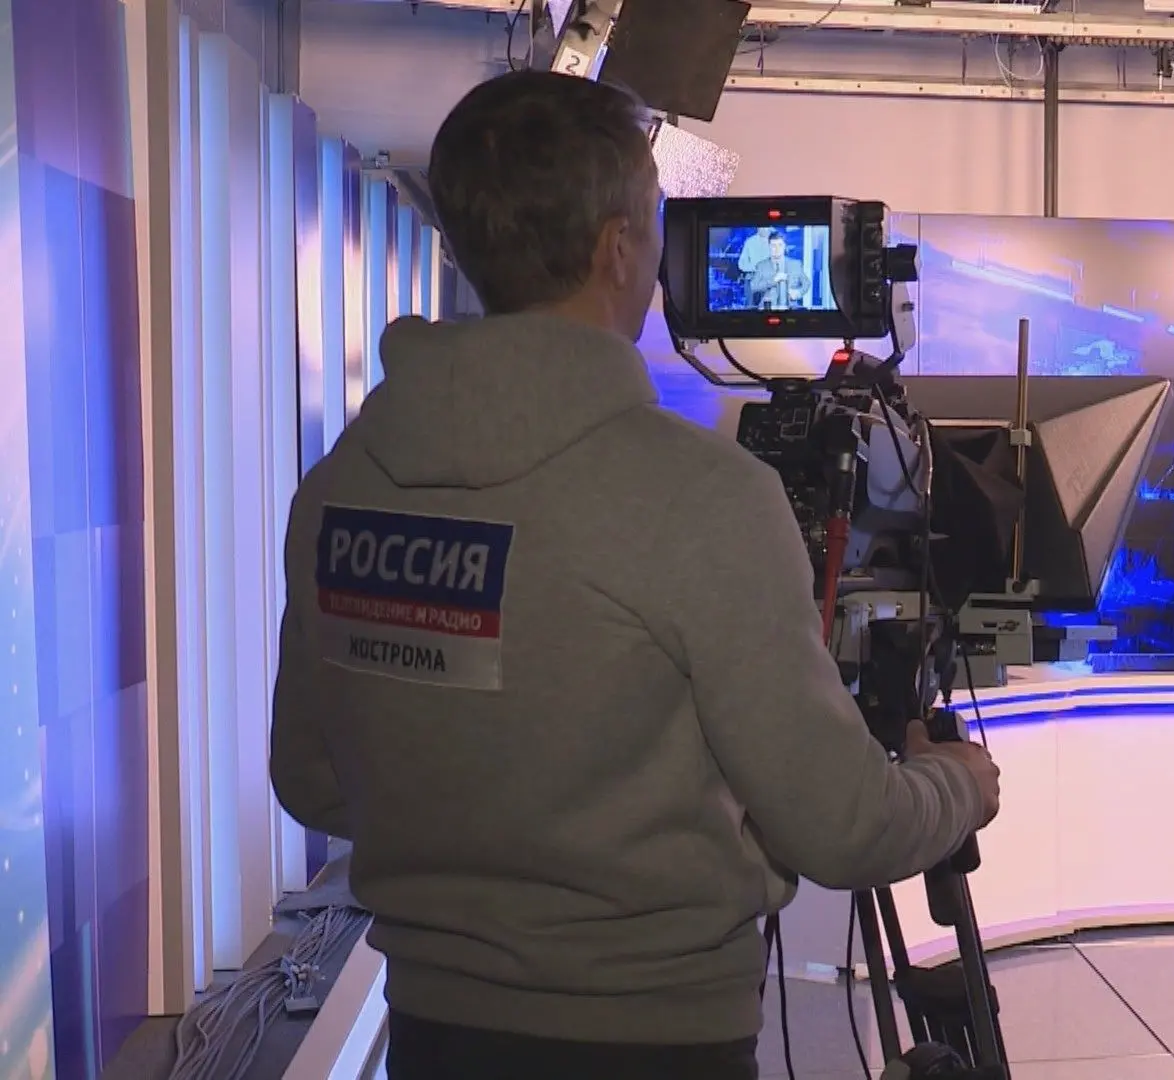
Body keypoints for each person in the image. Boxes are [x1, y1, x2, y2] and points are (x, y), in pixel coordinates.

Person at [267, 70, 999, 1080]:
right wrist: (958, 784)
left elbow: (310, 779)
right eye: (655, 220)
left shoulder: (341, 484)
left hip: (432, 1035)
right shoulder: (702, 499)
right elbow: (842, 829)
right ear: (618, 247)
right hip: (657, 1039)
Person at [748, 231, 811, 310]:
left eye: (780, 245)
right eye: (773, 245)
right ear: (769, 246)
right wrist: (773, 280)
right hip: (767, 309)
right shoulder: (761, 266)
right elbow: (753, 286)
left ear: (785, 246)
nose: (777, 249)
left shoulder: (795, 264)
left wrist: (798, 293)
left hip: (791, 309)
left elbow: (807, 283)